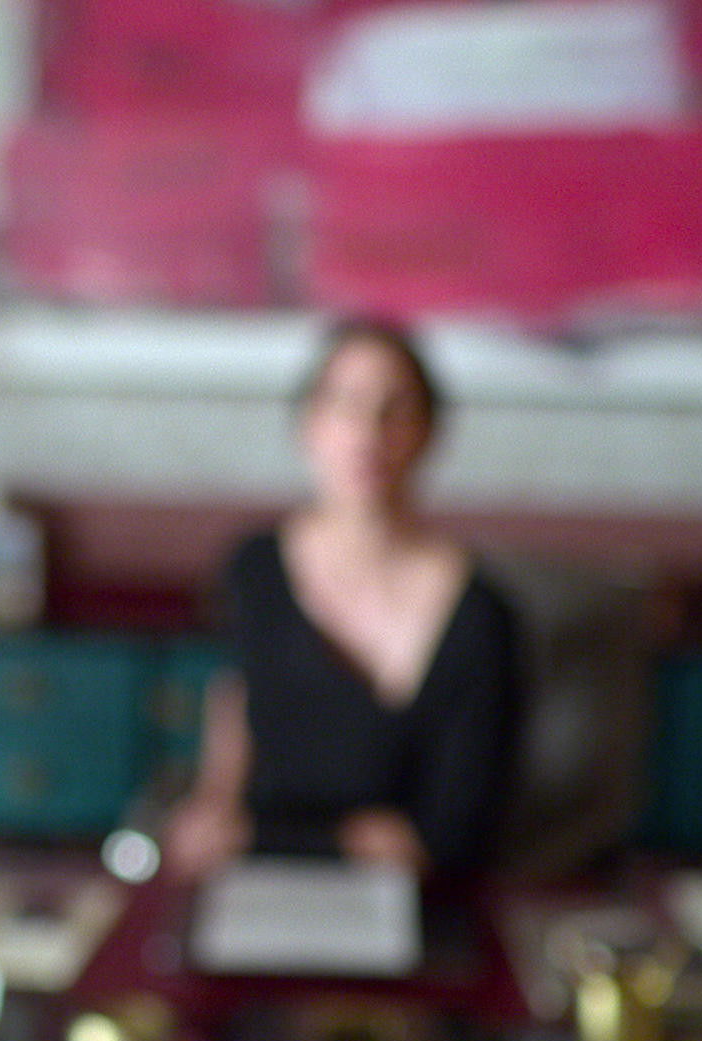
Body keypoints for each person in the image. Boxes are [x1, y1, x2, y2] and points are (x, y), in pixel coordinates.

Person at [164, 319, 524, 880]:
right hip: (262, 885)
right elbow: (235, 709)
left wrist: (256, 837)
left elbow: (447, 836)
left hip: (423, 900)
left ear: (429, 432)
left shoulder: (483, 616)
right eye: (346, 403)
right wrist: (213, 808)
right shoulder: (254, 571)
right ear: (309, 424)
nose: (368, 431)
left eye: (394, 408)